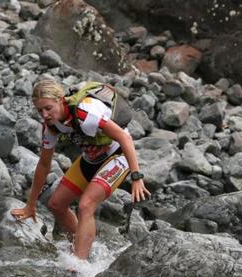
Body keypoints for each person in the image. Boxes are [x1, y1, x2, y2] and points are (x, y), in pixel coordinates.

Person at [11, 79, 150, 262]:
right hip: (91, 158)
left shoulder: (85, 112)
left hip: (119, 155)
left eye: (48, 108)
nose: (44, 114)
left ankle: (79, 266)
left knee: (86, 205)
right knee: (56, 205)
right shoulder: (51, 126)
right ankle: (81, 249)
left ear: (61, 100)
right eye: (40, 110)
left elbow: (124, 137)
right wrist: (30, 205)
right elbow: (44, 165)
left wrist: (136, 177)